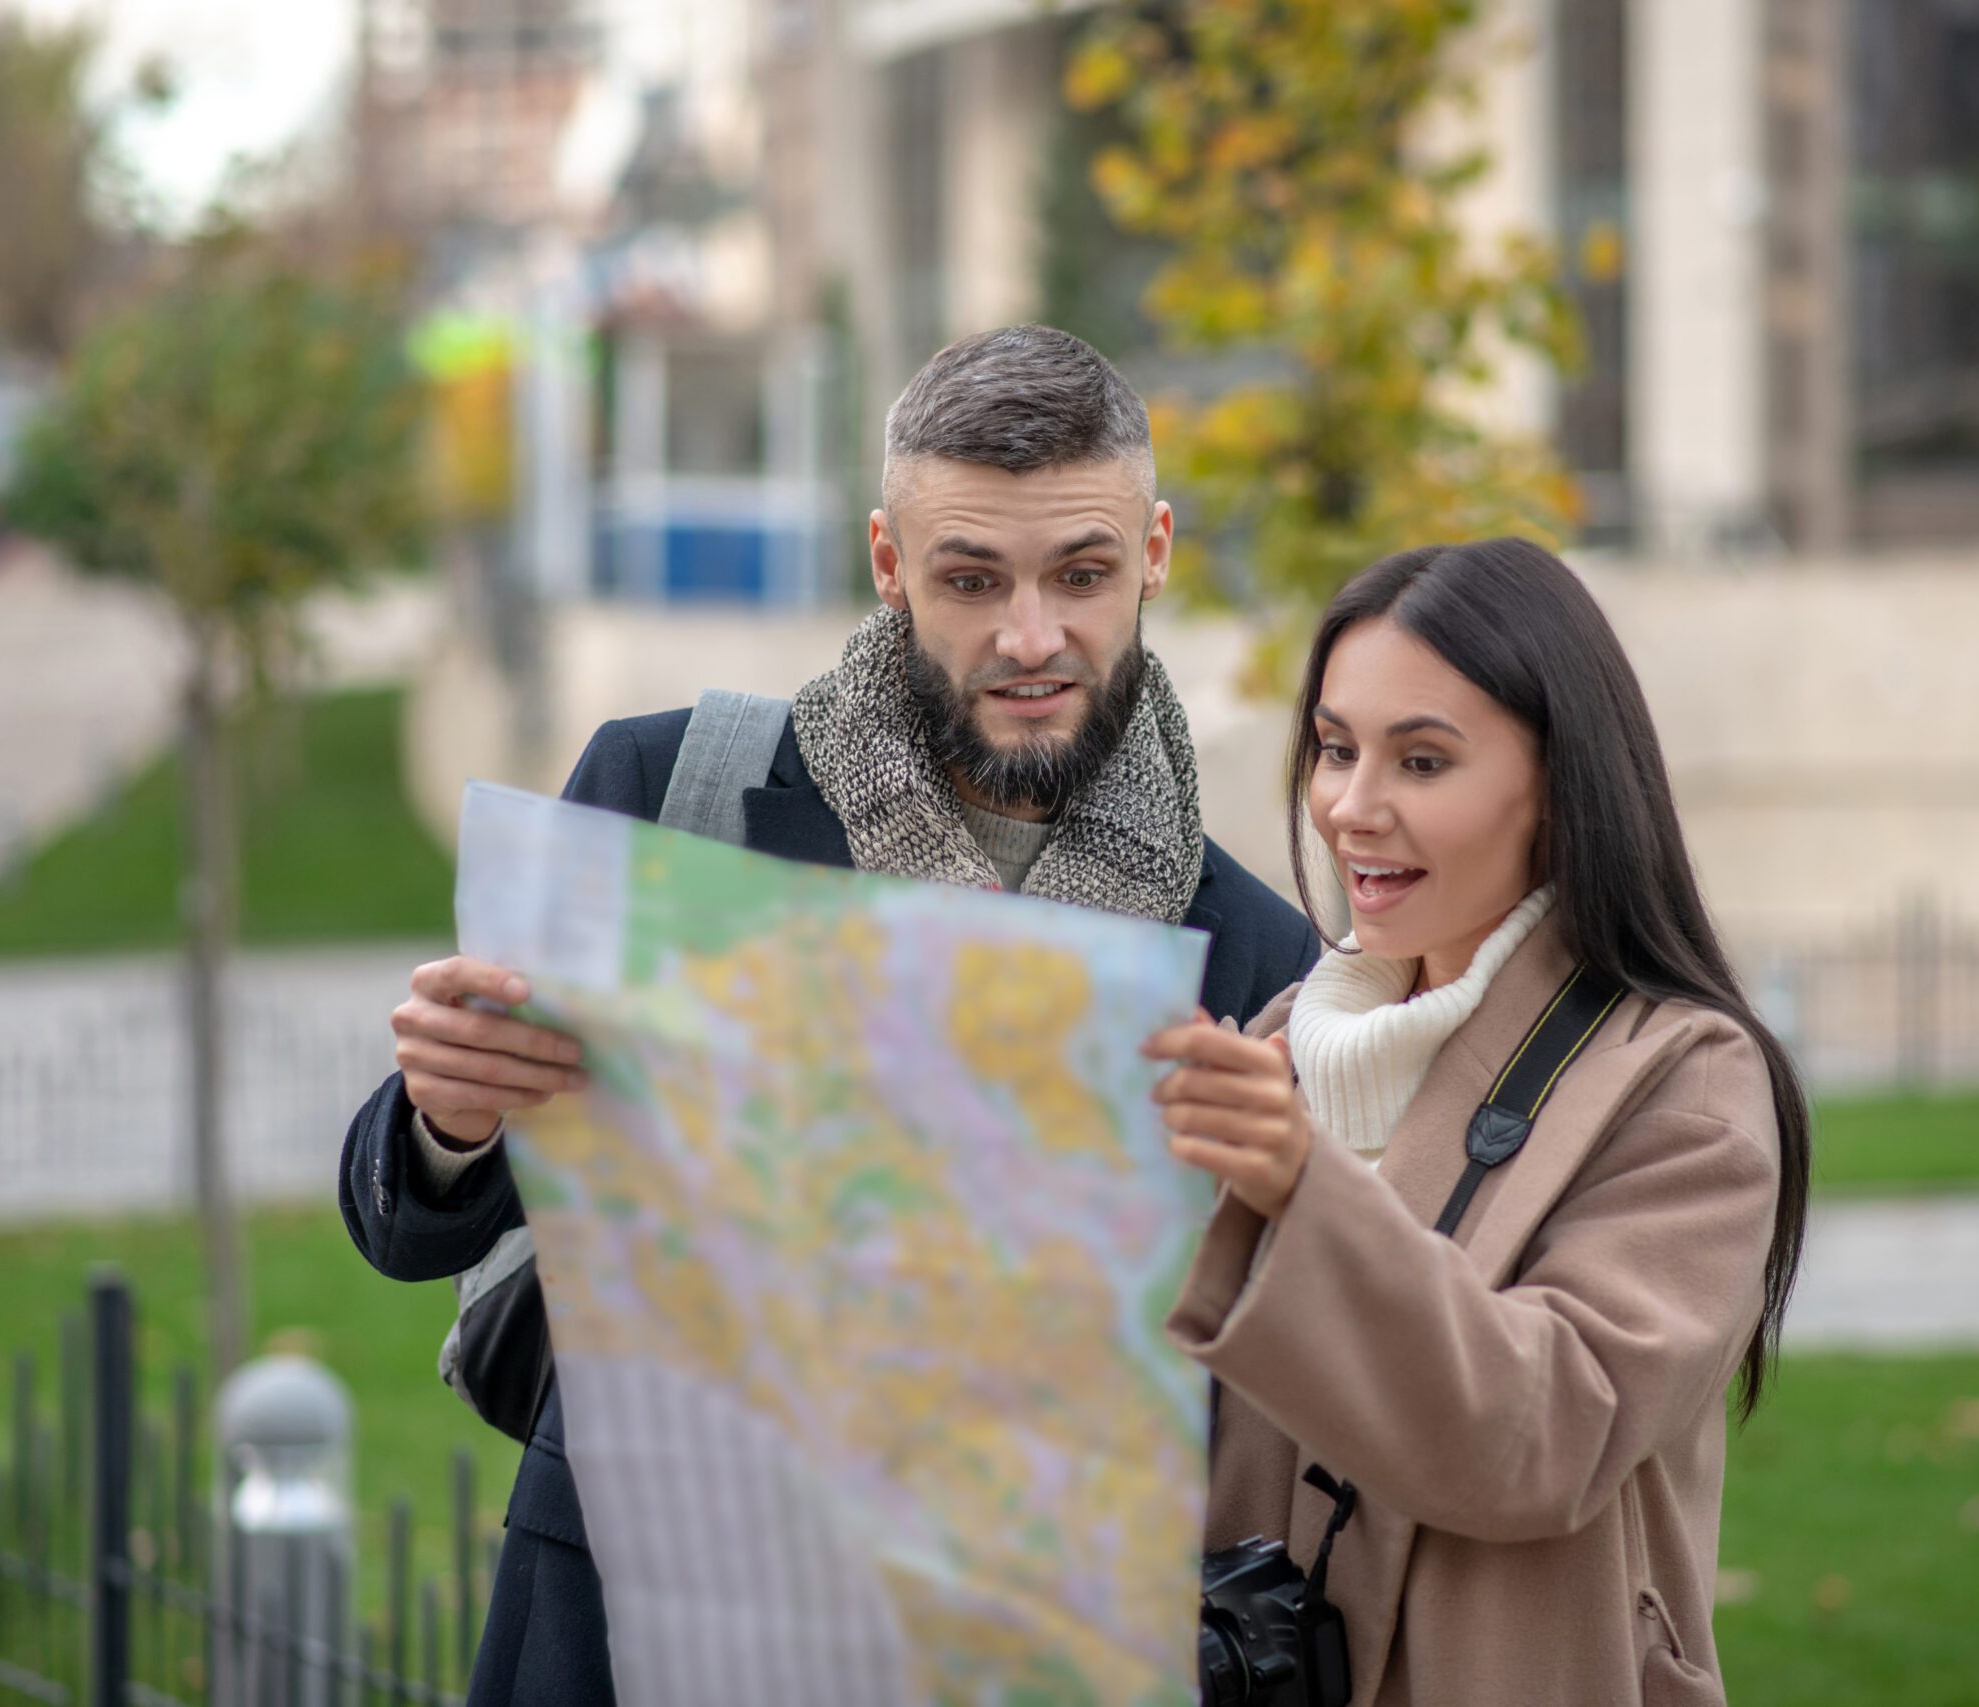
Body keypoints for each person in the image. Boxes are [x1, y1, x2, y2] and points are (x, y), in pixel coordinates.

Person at [338, 324, 1320, 1703]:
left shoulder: (1255, 953)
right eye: (970, 578)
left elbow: (1253, 1391)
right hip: (628, 1625)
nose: (1029, 635)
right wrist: (447, 1116)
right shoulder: (670, 792)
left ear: (1153, 553)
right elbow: (408, 1223)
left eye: (1081, 574)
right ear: (886, 563)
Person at [1144, 538, 1811, 1707]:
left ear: (1559, 782)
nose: (1353, 808)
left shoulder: (1681, 1081)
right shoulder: (1271, 1053)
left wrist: (1302, 1188)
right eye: (1336, 750)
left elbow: (1545, 1433)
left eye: (1422, 760)